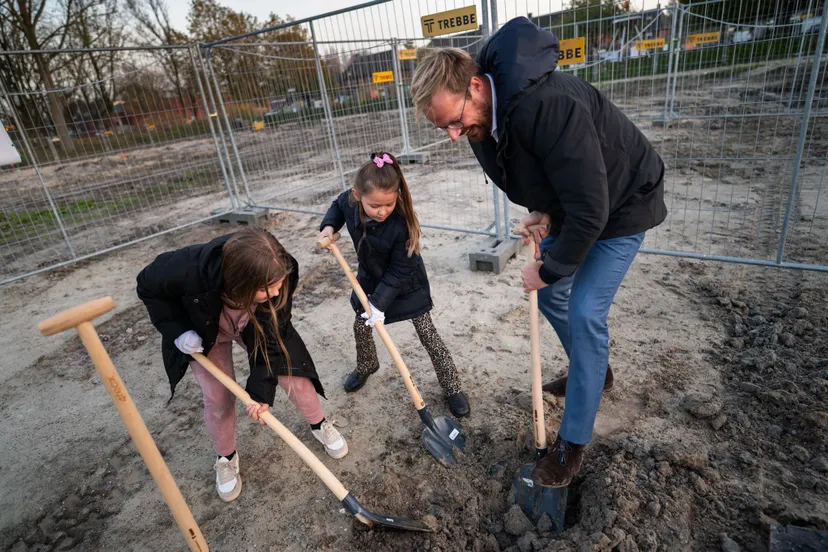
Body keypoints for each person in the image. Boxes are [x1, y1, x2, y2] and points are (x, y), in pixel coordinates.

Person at [410, 17, 667, 487]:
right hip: (584, 204)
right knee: (553, 299)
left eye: (453, 121)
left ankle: (571, 446)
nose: (452, 134)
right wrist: (543, 211)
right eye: (443, 127)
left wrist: (550, 269)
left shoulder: (549, 105)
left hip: (625, 202)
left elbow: (592, 206)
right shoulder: (481, 122)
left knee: (586, 311)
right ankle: (596, 373)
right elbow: (540, 171)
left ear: (474, 86)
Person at [136, 227, 347, 503]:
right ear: (238, 282)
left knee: (291, 371)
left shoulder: (279, 278)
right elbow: (146, 285)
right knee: (218, 396)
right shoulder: (184, 268)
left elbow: (272, 341)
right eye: (265, 288)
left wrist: (259, 394)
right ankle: (226, 457)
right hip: (203, 329)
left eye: (278, 283)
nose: (275, 292)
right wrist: (177, 331)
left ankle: (319, 423)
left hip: (253, 320)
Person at [318, 152, 470, 417]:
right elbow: (337, 205)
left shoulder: (400, 224)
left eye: (388, 204)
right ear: (357, 195)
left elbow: (401, 270)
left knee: (428, 335)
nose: (382, 211)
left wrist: (379, 303)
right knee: (361, 326)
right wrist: (329, 226)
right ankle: (367, 365)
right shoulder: (351, 203)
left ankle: (452, 387)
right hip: (369, 280)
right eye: (375, 205)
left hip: (407, 285)